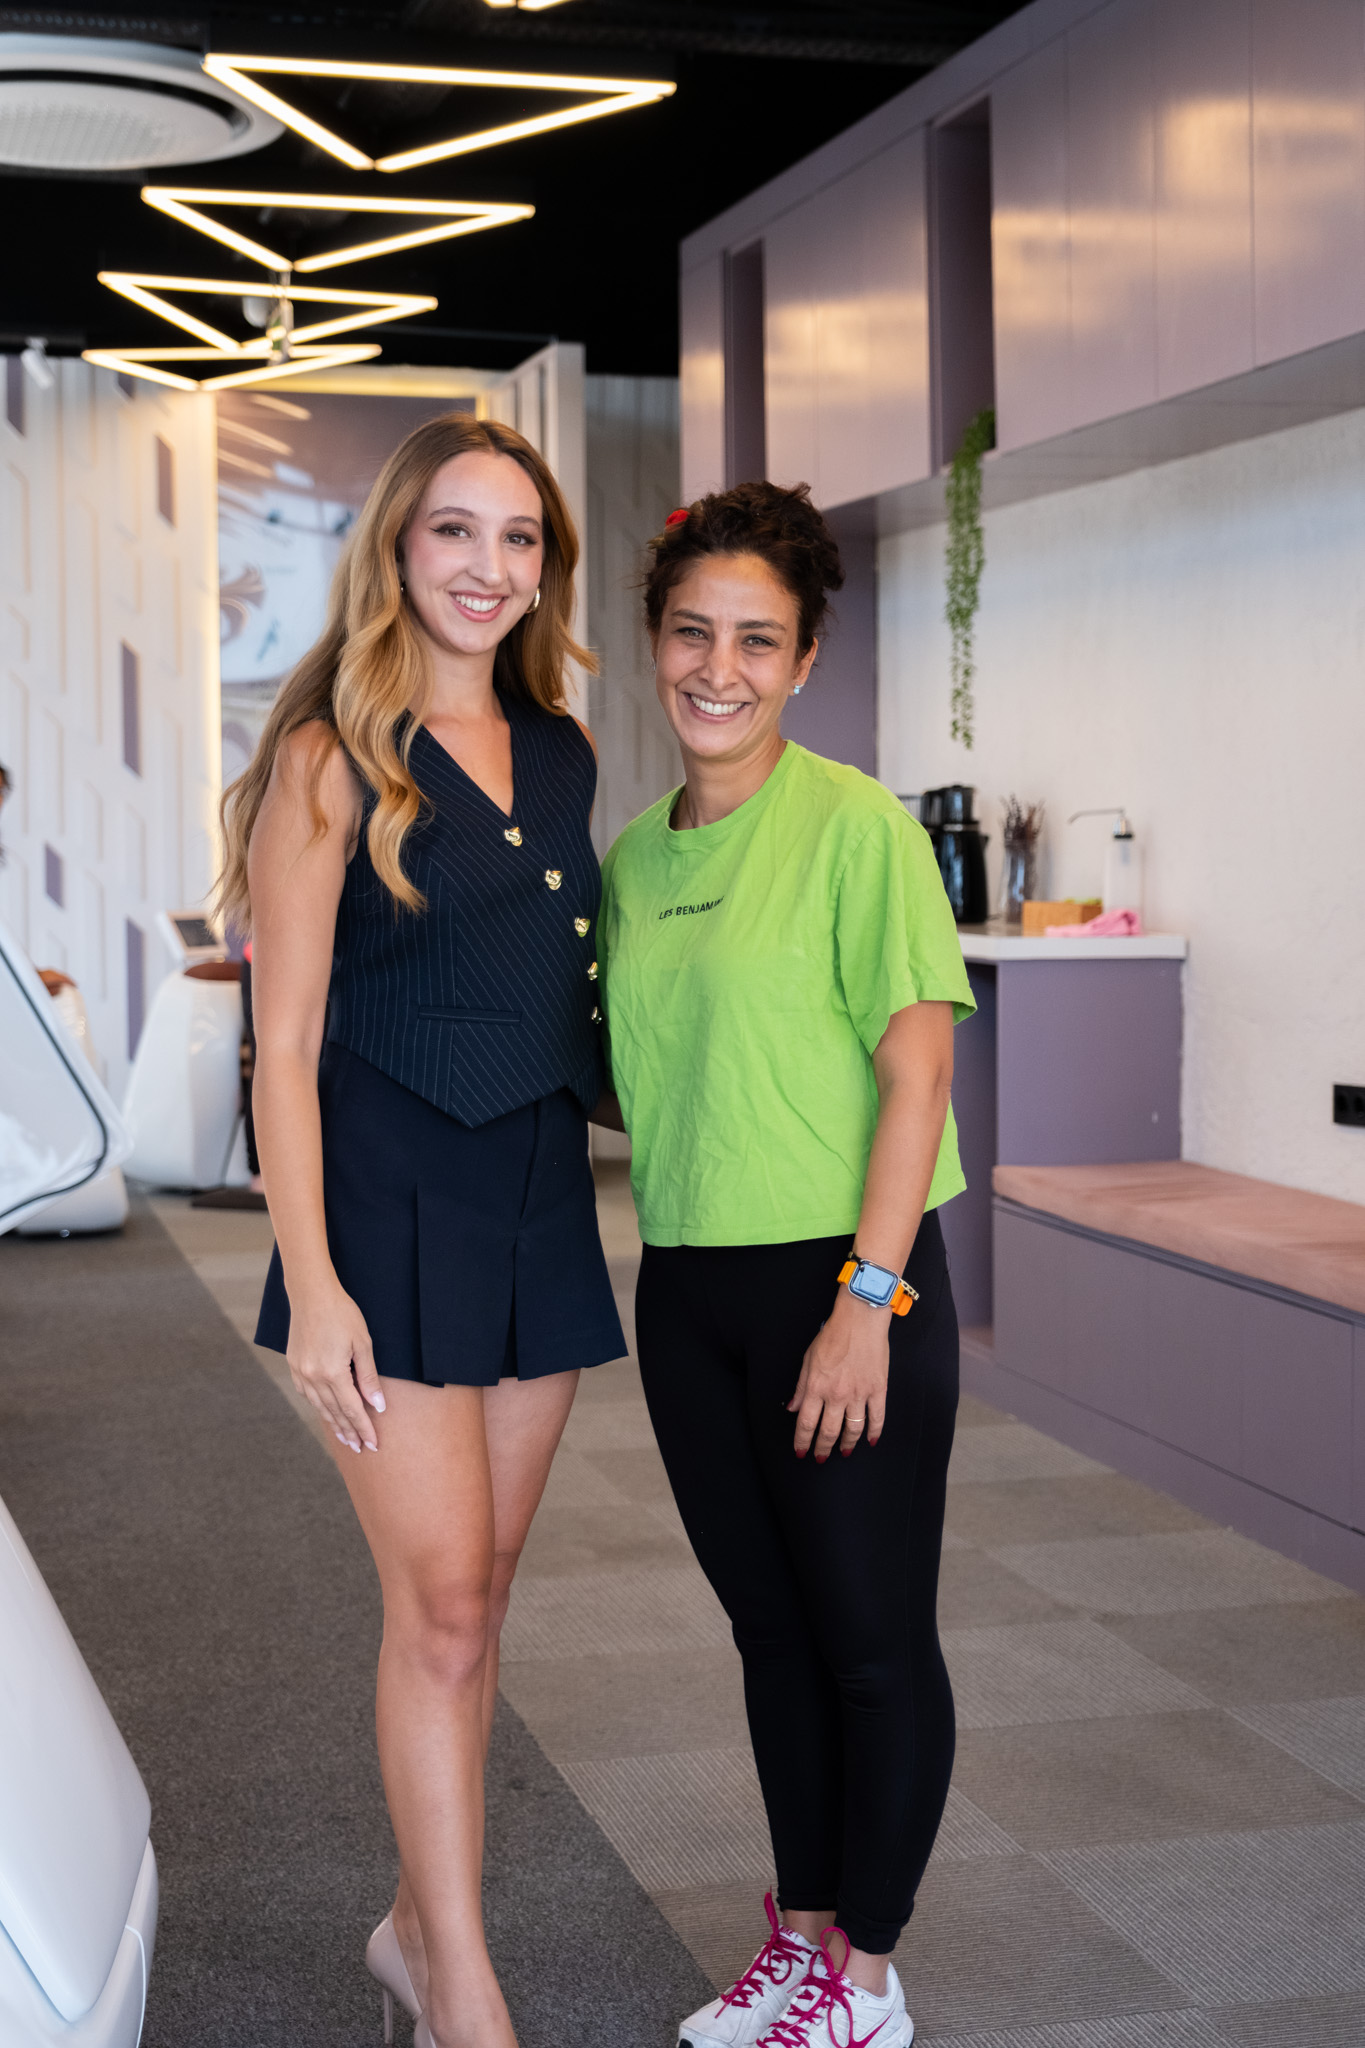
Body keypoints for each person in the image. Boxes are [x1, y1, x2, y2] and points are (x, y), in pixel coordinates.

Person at [216, 414, 624, 2048]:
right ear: (395, 544)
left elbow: (561, 987)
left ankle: (409, 1926)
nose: (487, 566)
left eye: (519, 539)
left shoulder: (565, 747)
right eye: (455, 530)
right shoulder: (333, 755)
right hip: (384, 1205)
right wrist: (313, 1287)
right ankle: (459, 1980)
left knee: (485, 1591)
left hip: (534, 1195)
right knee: (440, 1600)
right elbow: (284, 1049)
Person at [596, 483, 975, 2048]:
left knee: (867, 1642)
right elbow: (649, 1079)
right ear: (652, 642)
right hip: (690, 1290)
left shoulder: (854, 825)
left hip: (845, 1281)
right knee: (770, 1634)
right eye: (693, 632)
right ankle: (803, 1935)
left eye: (757, 640)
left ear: (805, 658)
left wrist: (864, 1306)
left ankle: (867, 1981)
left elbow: (917, 1070)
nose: (719, 668)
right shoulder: (632, 859)